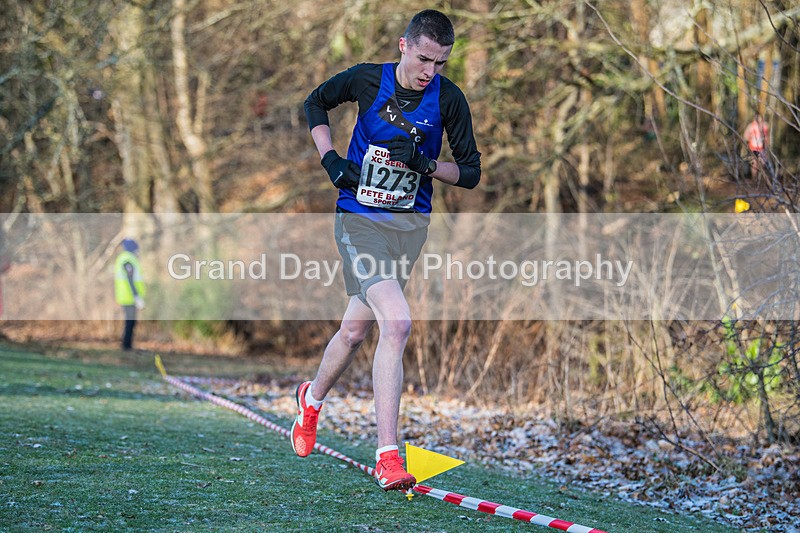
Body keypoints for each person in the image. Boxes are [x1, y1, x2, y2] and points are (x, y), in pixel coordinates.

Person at [292, 9, 481, 492]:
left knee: (355, 329)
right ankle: (388, 457)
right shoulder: (366, 80)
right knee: (396, 321)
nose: (429, 71)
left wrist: (427, 165)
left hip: (409, 228)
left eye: (440, 63)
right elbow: (314, 105)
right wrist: (330, 158)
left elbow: (471, 173)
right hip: (358, 219)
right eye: (423, 59)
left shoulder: (449, 100)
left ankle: (310, 401)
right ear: (403, 46)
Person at [114, 238, 145, 351]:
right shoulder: (128, 259)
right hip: (128, 296)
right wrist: (136, 296)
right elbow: (130, 279)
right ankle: (126, 346)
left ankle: (127, 345)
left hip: (126, 296)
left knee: (130, 321)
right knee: (130, 322)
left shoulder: (125, 258)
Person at [743, 114, 769, 178]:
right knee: (754, 163)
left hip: (762, 148)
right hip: (753, 147)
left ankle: (762, 177)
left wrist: (767, 143)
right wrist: (750, 137)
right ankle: (754, 178)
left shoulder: (765, 125)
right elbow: (745, 136)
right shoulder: (751, 126)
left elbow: (768, 136)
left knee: (762, 162)